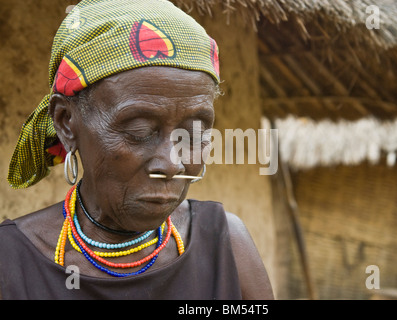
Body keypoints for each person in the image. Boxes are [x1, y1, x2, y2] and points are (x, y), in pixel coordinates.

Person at [0, 0, 274, 300]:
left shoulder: (226, 244)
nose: (172, 164)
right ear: (67, 123)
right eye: (139, 132)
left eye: (193, 134)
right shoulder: (11, 261)